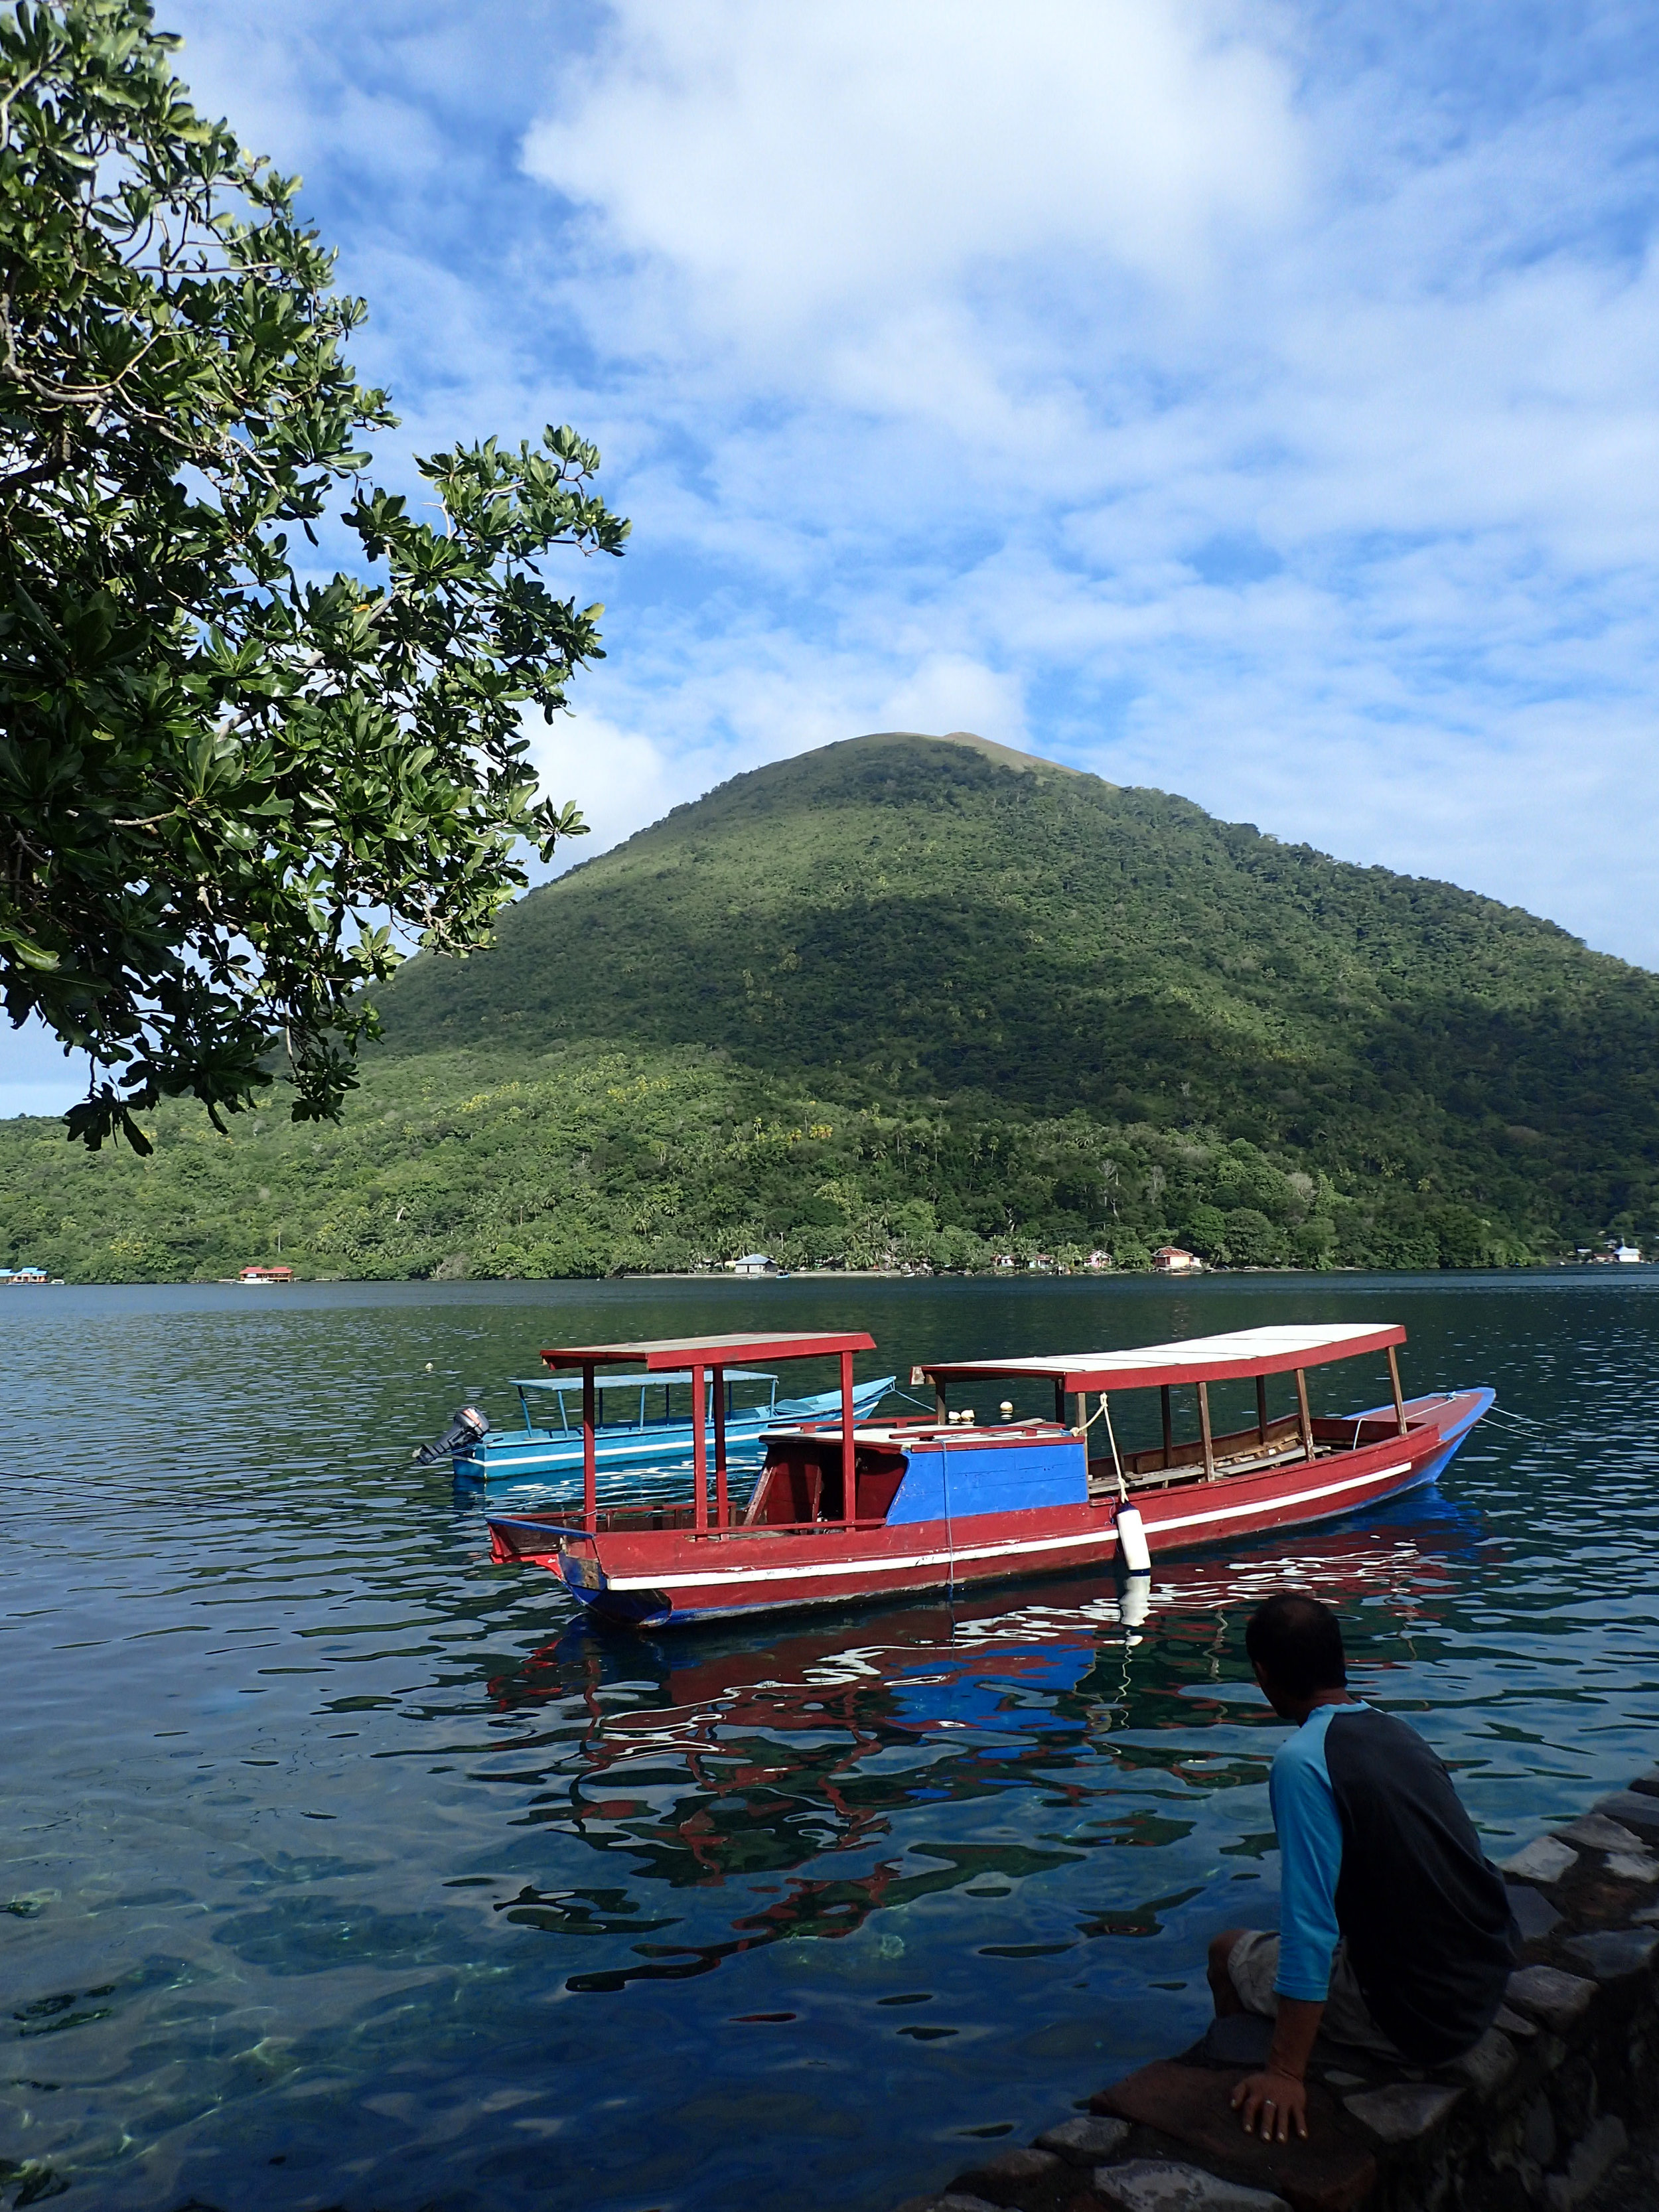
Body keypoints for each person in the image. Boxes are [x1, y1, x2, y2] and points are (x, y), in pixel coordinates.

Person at [1208, 1591, 1518, 2145]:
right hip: (1483, 1982)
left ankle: (1248, 2075)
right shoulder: (1397, 1732)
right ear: (1337, 1657)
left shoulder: (1302, 1761)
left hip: (1422, 2020)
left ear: (1262, 1673)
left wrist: (1285, 2072)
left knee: (1226, 1951)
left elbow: (1309, 1926)